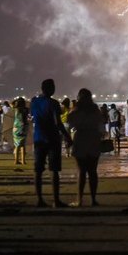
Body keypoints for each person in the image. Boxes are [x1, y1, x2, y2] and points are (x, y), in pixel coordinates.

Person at [30, 79, 73, 208]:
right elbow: (57, 123)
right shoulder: (53, 103)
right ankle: (56, 200)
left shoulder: (34, 103)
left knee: (38, 170)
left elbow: (33, 117)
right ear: (49, 88)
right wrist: (67, 137)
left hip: (38, 139)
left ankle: (39, 200)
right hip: (53, 139)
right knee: (54, 170)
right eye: (53, 87)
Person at [67, 88, 106, 207]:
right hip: (94, 140)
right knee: (93, 172)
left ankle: (79, 200)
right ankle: (94, 199)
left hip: (81, 140)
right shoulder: (96, 111)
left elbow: (70, 123)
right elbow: (101, 128)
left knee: (81, 172)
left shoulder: (76, 111)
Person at [12, 97, 30, 165]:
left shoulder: (16, 109)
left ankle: (16, 160)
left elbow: (11, 103)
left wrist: (16, 100)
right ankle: (23, 161)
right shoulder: (26, 109)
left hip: (16, 128)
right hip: (24, 127)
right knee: (23, 145)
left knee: (17, 145)